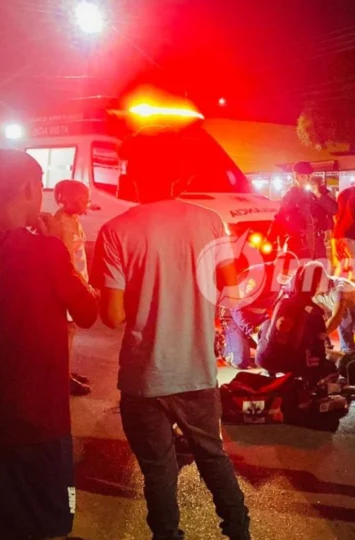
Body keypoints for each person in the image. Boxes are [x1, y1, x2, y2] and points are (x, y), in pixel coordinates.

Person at [92, 146, 251, 540]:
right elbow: (229, 286)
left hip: (144, 378)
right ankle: (239, 532)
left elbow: (112, 316)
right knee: (213, 457)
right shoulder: (210, 222)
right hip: (196, 370)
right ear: (181, 180)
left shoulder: (115, 230)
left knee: (158, 470)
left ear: (132, 177)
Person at [0, 150, 98, 540]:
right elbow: (87, 312)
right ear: (28, 188)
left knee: (8, 520)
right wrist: (61, 249)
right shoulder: (47, 252)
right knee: (51, 518)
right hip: (41, 420)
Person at [222, 252, 300, 369]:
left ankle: (250, 343)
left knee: (275, 350)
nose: (287, 277)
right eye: (284, 273)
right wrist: (251, 330)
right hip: (234, 314)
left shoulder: (286, 281)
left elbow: (281, 308)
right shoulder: (256, 275)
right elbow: (236, 305)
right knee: (241, 362)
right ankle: (224, 345)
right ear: (276, 265)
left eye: (290, 275)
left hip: (259, 317)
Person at [54, 180, 95, 396]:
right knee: (67, 333)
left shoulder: (72, 218)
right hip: (71, 286)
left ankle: (66, 371)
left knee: (70, 332)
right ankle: (63, 378)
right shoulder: (63, 223)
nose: (87, 202)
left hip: (75, 284)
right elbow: (68, 261)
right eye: (83, 199)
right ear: (67, 199)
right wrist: (84, 288)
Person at [256, 262, 332, 377]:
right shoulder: (315, 311)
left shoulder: (282, 302)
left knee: (267, 323)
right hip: (293, 365)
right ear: (316, 285)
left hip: (264, 359)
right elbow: (320, 348)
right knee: (331, 369)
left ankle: (270, 370)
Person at [268, 161, 337, 261]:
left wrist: (318, 194)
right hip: (298, 245)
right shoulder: (291, 195)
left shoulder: (321, 192)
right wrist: (270, 239)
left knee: (318, 273)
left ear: (310, 176)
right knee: (300, 275)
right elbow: (280, 217)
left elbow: (334, 209)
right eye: (296, 177)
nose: (299, 180)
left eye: (303, 177)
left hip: (317, 244)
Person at [313, 272, 355, 354]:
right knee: (315, 315)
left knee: (343, 312)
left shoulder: (339, 288)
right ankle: (326, 346)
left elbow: (337, 318)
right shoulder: (317, 293)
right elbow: (320, 316)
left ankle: (348, 350)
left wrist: (318, 337)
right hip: (350, 317)